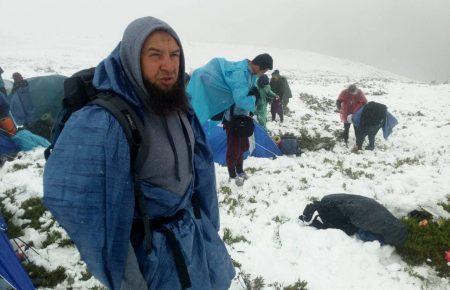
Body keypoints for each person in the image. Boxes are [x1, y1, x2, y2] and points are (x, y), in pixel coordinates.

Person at [44, 16, 234, 290]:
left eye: (174, 54)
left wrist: (208, 230)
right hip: (150, 259)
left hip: (192, 241)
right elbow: (88, 213)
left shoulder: (178, 105)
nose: (168, 65)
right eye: (155, 55)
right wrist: (128, 280)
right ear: (133, 58)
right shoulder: (107, 121)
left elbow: (201, 171)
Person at [187, 53, 273, 185]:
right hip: (233, 120)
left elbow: (246, 93)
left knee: (243, 146)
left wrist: (253, 94)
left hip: (243, 118)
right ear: (258, 66)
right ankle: (232, 176)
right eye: (264, 71)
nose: (262, 74)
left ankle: (240, 171)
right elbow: (241, 100)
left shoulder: (250, 74)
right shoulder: (240, 74)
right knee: (233, 149)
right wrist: (254, 99)